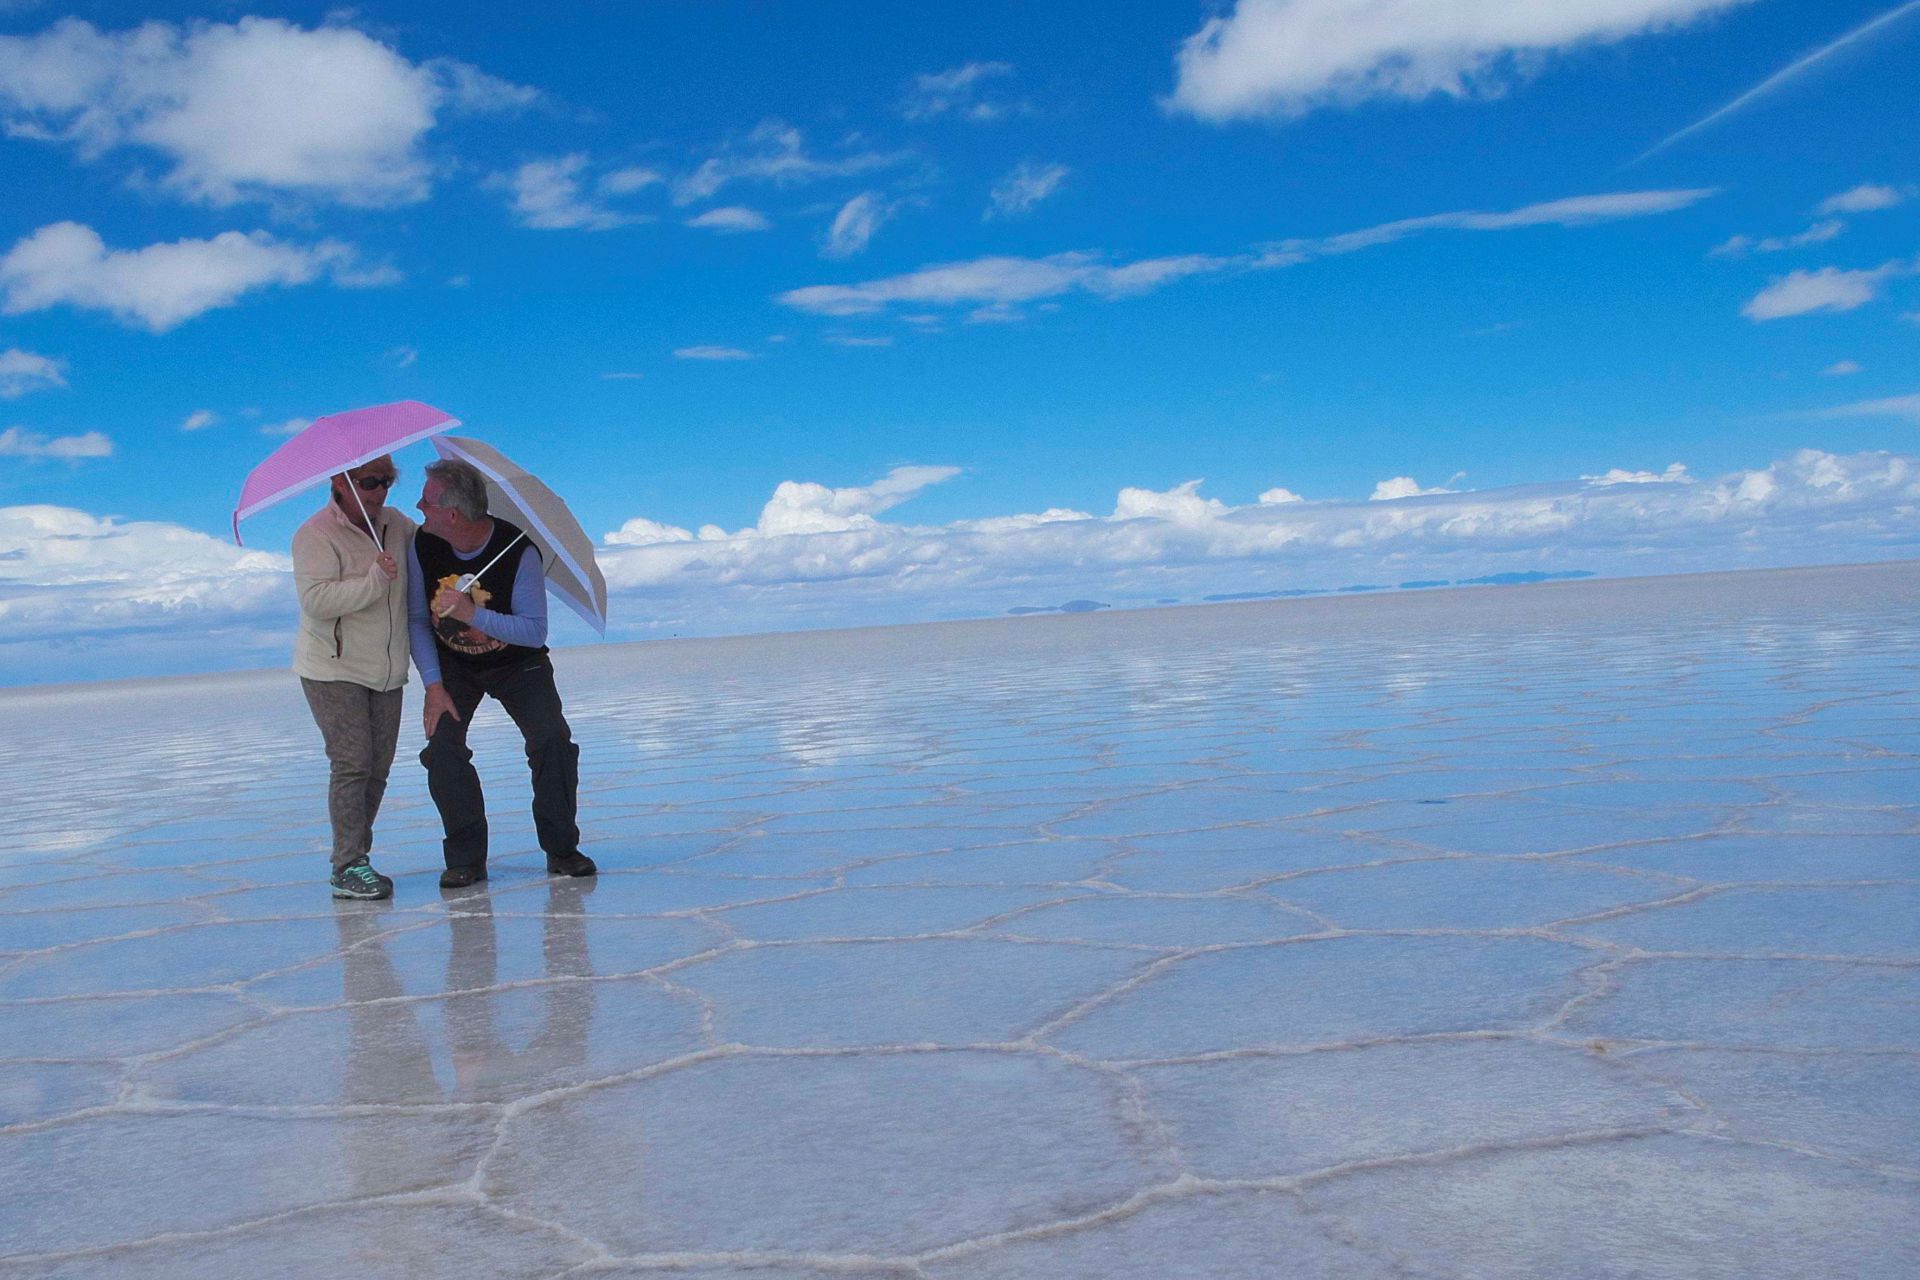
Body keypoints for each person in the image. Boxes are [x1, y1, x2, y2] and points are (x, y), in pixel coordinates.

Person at [408, 458, 597, 888]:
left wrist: (473, 614)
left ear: (453, 514)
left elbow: (534, 631)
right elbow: (417, 620)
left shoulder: (519, 551)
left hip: (518, 663)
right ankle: (466, 859)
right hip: (454, 664)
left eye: (427, 501)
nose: (418, 507)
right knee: (442, 748)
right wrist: (433, 685)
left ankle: (562, 849)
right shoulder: (422, 544)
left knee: (552, 740)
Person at [292, 455, 413, 900]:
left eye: (386, 482)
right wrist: (375, 580)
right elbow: (317, 601)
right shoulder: (315, 534)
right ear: (340, 482)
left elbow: (430, 556)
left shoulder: (397, 524)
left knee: (378, 767)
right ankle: (347, 865)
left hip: (387, 668)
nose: (379, 491)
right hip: (332, 667)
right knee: (352, 762)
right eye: (369, 482)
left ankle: (357, 857)